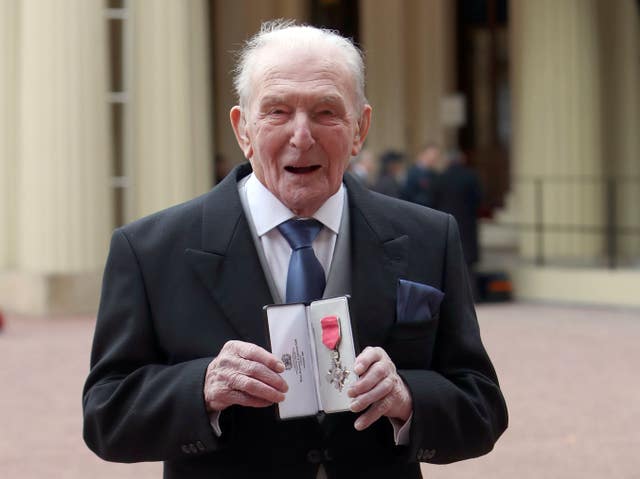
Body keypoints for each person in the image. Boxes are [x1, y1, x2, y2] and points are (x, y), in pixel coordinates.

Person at [83, 21, 507, 479]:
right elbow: (106, 416)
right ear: (243, 128)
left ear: (360, 127)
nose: (302, 136)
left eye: (326, 112)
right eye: (277, 112)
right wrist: (201, 387)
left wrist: (408, 399)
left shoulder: (429, 237)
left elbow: (481, 408)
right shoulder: (149, 250)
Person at [403, 143, 442, 207]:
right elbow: (407, 195)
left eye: (437, 156)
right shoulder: (412, 173)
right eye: (433, 154)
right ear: (423, 154)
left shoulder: (434, 174)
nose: (435, 158)